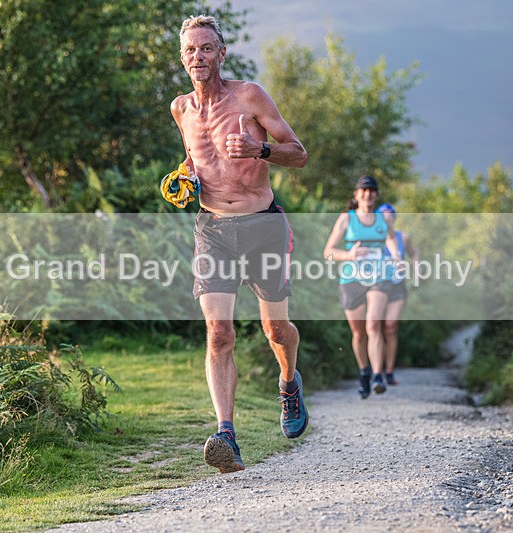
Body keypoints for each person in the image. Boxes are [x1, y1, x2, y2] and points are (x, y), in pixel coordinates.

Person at [170, 15, 309, 473]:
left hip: (263, 225)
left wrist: (260, 150)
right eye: (191, 50)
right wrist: (185, 176)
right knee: (218, 331)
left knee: (275, 331)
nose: (198, 57)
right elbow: (194, 157)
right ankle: (225, 433)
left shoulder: (248, 96)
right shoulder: (180, 109)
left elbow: (299, 152)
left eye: (206, 48)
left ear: (221, 53)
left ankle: (289, 384)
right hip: (213, 229)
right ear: (183, 56)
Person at [322, 176, 399, 399]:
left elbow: (391, 240)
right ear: (356, 195)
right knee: (358, 332)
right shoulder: (347, 219)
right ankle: (364, 371)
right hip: (351, 279)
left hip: (379, 275)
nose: (367, 194)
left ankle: (377, 375)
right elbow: (328, 251)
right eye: (363, 190)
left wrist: (395, 255)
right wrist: (348, 255)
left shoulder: (383, 219)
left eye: (371, 190)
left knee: (373, 325)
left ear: (376, 195)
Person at [377, 203, 418, 386]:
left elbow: (414, 253)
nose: (387, 220)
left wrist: (416, 271)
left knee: (391, 326)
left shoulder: (404, 237)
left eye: (389, 216)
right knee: (374, 327)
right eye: (382, 217)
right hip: (376, 286)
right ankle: (376, 370)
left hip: (397, 285)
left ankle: (389, 371)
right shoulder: (372, 237)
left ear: (394, 218)